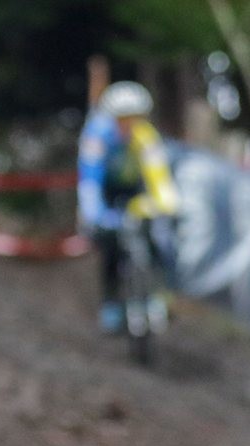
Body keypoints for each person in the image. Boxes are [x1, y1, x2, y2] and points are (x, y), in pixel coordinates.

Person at [77, 80, 179, 334]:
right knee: (111, 247)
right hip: (106, 191)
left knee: (158, 238)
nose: (130, 124)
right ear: (113, 118)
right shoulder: (97, 136)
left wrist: (166, 204)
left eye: (136, 118)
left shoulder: (147, 137)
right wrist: (95, 213)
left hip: (134, 191)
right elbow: (90, 180)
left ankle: (158, 295)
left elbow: (159, 178)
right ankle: (111, 303)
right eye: (124, 118)